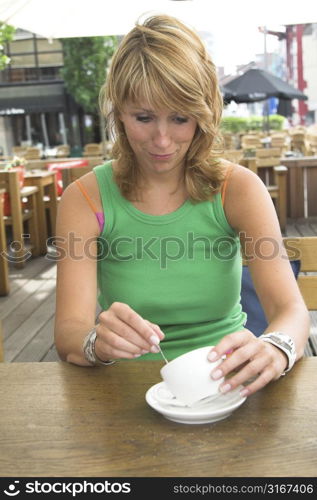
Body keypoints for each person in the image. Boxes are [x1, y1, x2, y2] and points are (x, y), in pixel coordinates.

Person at [54, 14, 310, 399]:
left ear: (203, 114)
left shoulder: (237, 189)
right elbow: (69, 331)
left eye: (180, 118)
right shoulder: (84, 199)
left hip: (227, 381)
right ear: (119, 112)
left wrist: (277, 347)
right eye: (143, 117)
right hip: (125, 390)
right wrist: (96, 342)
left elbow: (290, 309)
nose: (161, 140)